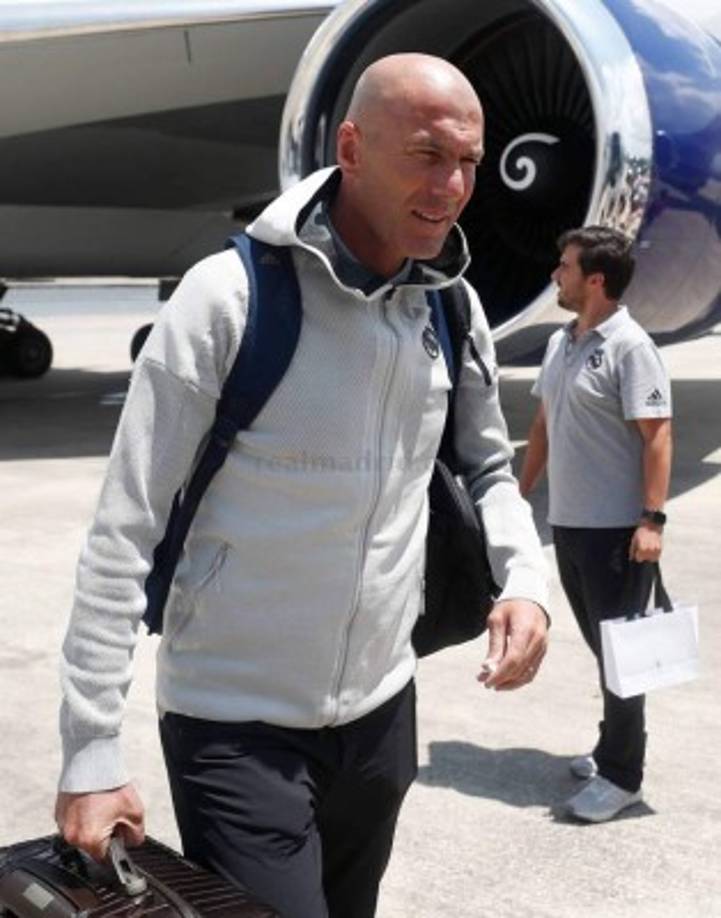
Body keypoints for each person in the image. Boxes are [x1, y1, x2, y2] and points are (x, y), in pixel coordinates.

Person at [55, 53, 549, 917]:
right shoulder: (228, 299)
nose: (455, 185)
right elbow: (122, 532)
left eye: (469, 161)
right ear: (352, 147)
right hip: (233, 722)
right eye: (428, 156)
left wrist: (525, 582)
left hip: (381, 714)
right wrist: (90, 755)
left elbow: (488, 468)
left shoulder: (450, 306)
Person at [519, 225, 672, 823]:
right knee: (601, 646)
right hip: (570, 524)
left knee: (621, 655)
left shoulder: (630, 346)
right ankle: (612, 747)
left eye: (565, 266)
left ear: (596, 279)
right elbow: (542, 427)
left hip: (616, 532)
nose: (557, 274)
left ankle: (622, 776)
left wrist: (651, 519)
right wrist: (517, 490)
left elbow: (658, 436)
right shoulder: (561, 343)